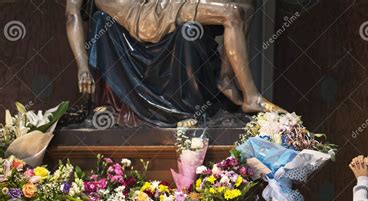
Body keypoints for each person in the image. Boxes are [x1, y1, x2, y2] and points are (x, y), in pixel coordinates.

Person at [66, 0, 284, 127]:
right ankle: (250, 97)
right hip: (144, 18)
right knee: (233, 13)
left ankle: (225, 78)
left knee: (246, 6)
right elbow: (72, 16)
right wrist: (82, 67)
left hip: (160, 5)